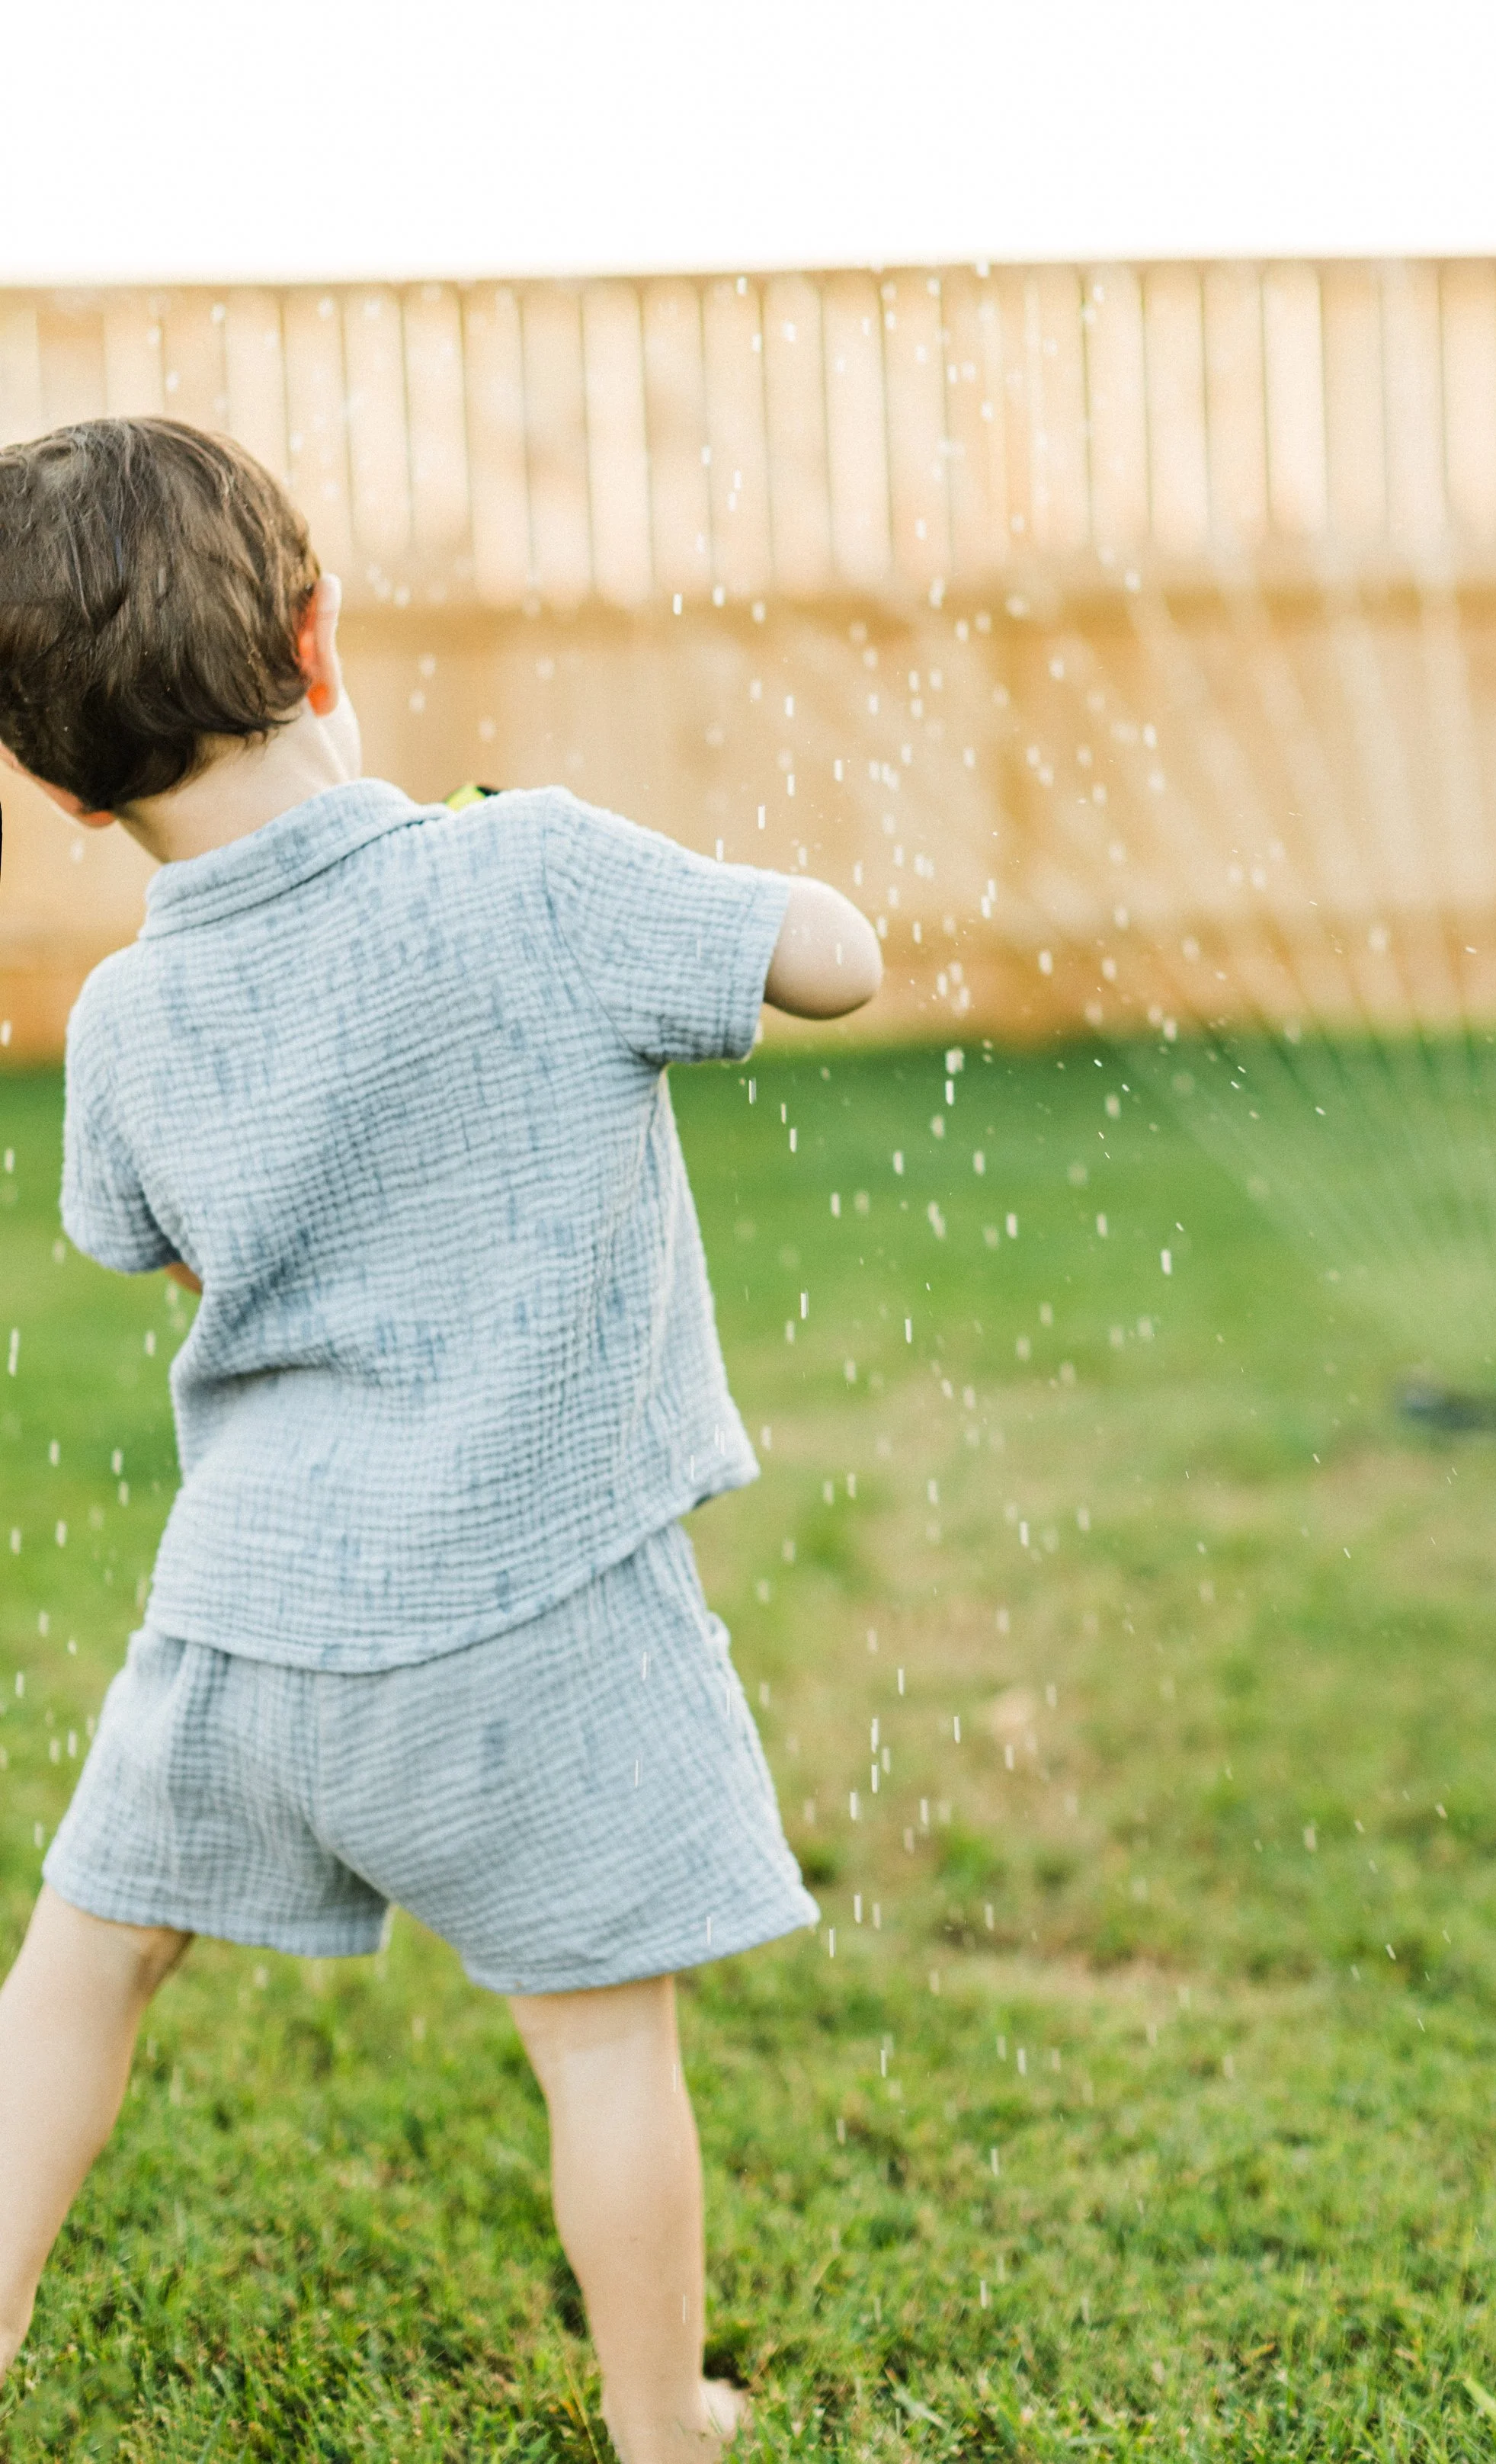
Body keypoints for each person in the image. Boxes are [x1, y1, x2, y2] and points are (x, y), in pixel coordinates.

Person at [0, 417, 881, 2459]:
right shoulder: (531, 866)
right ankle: (662, 2429)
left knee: (73, 1980)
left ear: (54, 788)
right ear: (318, 636)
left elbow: (166, 1256)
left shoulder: (128, 1017)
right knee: (596, 2047)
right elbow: (831, 962)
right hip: (531, 1611)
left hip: (237, 1633)